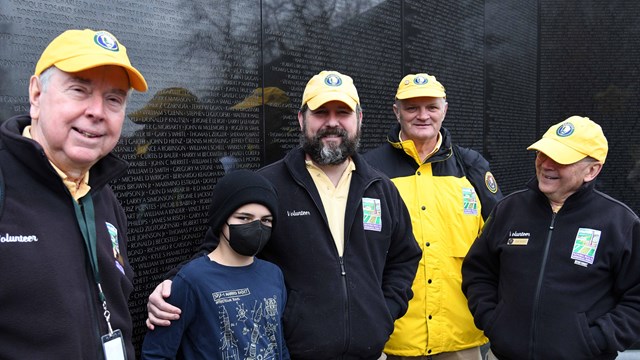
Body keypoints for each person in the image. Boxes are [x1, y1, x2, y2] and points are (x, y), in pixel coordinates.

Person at [146, 70, 422, 359]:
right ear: (302, 120)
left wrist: (384, 311)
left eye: (342, 112)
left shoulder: (381, 189)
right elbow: (217, 249)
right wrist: (170, 286)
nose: (332, 122)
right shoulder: (268, 185)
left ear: (359, 119)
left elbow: (404, 256)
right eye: (321, 112)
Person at [0, 29, 147, 359]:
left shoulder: (106, 199)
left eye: (114, 99)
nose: (98, 111)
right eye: (79, 90)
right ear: (36, 95)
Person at [461, 116, 640, 359]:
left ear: (592, 170)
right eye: (542, 154)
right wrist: (492, 320)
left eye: (560, 159)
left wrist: (596, 339)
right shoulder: (508, 210)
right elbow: (478, 271)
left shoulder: (620, 223)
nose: (546, 164)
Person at [364, 73, 502, 359]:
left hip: (460, 336)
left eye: (431, 107)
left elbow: (499, 243)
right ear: (396, 112)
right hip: (391, 339)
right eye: (412, 108)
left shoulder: (471, 167)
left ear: (445, 110)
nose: (422, 116)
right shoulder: (368, 170)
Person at [141, 169, 289, 359]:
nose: (257, 227)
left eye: (266, 220)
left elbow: (277, 342)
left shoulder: (273, 274)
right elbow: (157, 353)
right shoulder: (191, 280)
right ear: (221, 219)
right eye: (244, 218)